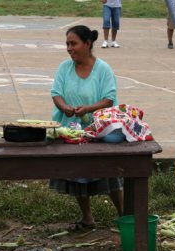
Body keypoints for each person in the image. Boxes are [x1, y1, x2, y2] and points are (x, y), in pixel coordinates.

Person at [50, 25, 123, 230]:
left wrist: (88, 109)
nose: (69, 48)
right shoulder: (64, 68)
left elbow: (109, 99)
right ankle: (87, 218)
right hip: (70, 131)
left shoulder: (103, 69)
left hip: (99, 131)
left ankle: (124, 216)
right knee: (76, 174)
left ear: (87, 44)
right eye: (67, 44)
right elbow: (56, 93)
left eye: (73, 43)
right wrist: (64, 107)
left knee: (109, 174)